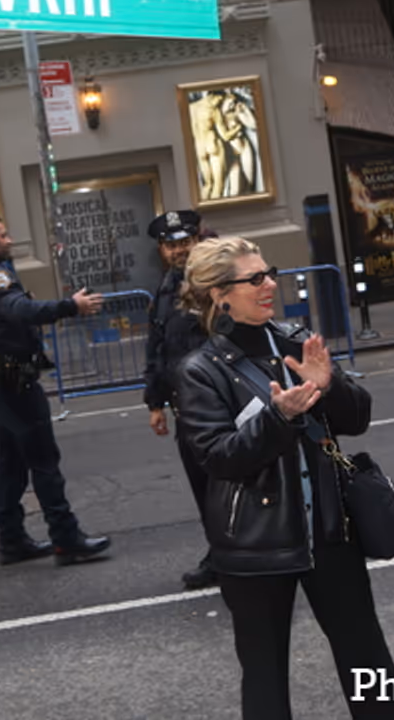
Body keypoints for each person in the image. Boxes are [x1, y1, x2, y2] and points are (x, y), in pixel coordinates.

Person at [175, 237, 394, 720]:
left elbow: (356, 418)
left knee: (369, 664)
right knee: (264, 677)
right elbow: (218, 458)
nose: (270, 284)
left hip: (330, 530)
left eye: (270, 272)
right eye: (255, 278)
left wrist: (330, 386)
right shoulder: (200, 371)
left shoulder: (294, 338)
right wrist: (278, 419)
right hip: (255, 545)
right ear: (220, 294)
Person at [0, 213, 112, 567]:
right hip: (13, 381)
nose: (9, 240)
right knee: (43, 460)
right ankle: (66, 539)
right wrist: (71, 305)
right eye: (3, 235)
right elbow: (20, 310)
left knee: (10, 461)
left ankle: (12, 540)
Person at [142, 209, 212, 589]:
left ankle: (234, 554)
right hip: (185, 407)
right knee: (203, 487)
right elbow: (156, 347)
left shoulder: (211, 280)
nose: (179, 250)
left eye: (185, 242)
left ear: (196, 241)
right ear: (162, 249)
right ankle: (221, 552)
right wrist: (155, 402)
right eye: (172, 245)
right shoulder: (166, 286)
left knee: (223, 485)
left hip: (216, 405)